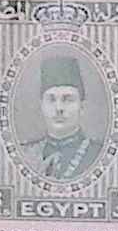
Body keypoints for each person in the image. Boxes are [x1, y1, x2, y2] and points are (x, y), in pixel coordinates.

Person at [25, 52, 103, 184]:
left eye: (68, 99)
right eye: (51, 99)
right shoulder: (26, 154)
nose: (59, 108)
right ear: (41, 106)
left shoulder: (98, 155)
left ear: (82, 106)